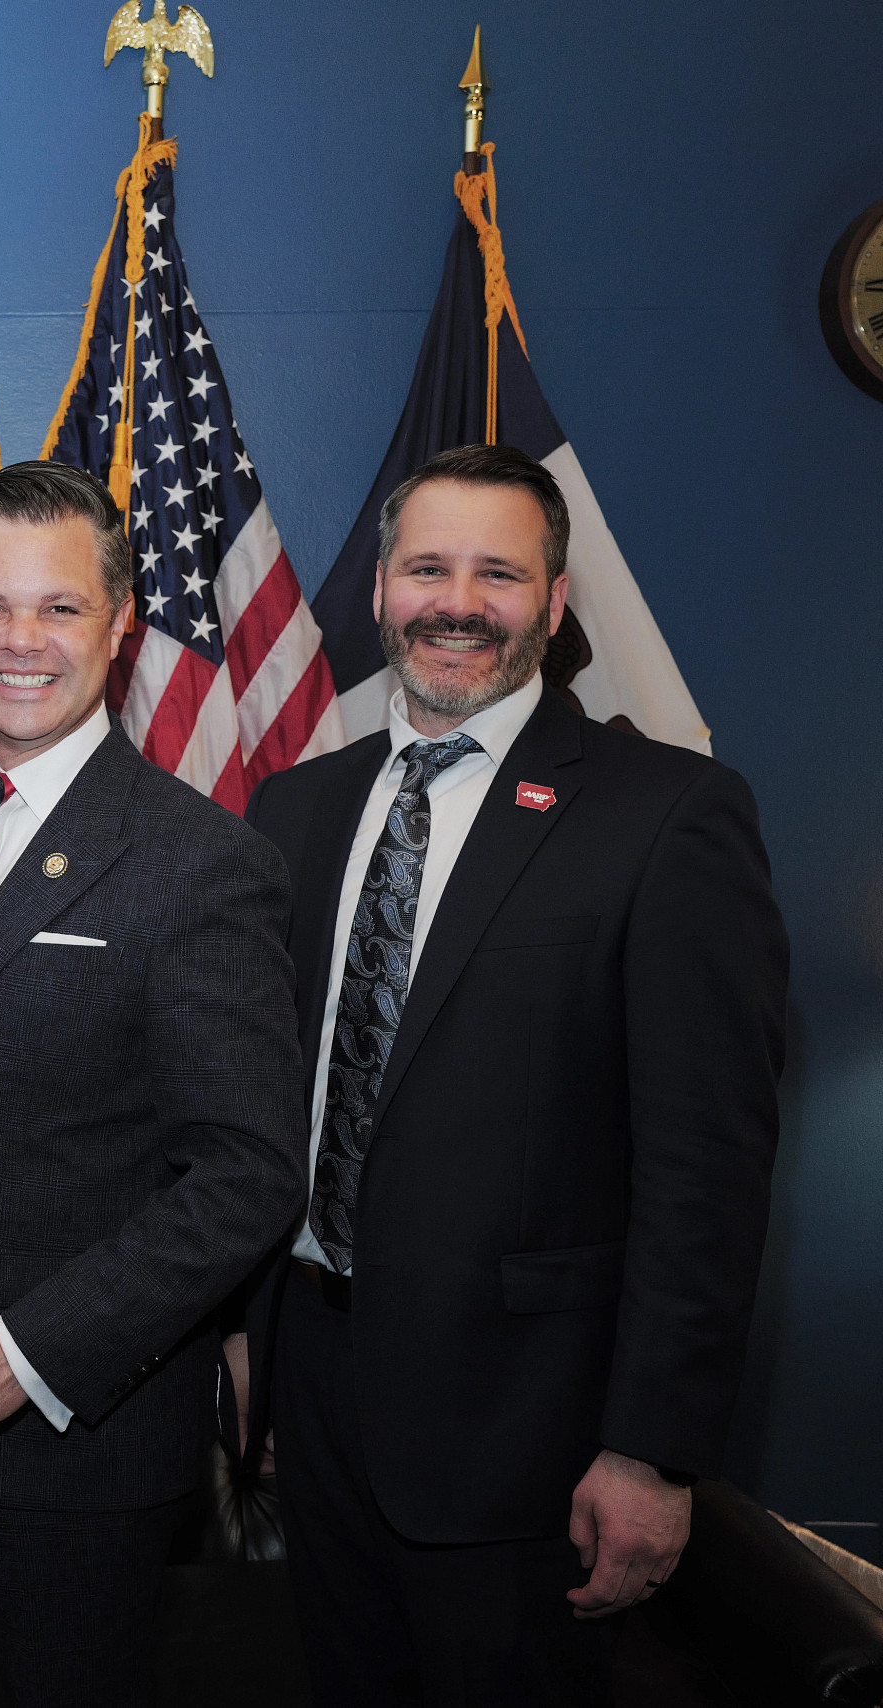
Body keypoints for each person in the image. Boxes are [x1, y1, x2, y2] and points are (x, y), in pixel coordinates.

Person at [235, 443, 787, 1706]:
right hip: (312, 1392)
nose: (457, 600)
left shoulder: (667, 815)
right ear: (377, 591)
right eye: (427, 566)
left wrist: (649, 1450)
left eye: (499, 572)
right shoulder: (294, 811)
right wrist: (240, 1333)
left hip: (529, 1435)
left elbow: (705, 1164)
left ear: (552, 601)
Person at [0, 462, 308, 1708]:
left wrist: (30, 1353)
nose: (19, 641)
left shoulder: (198, 864)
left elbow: (246, 1175)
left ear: (120, 622)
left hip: (66, 1446)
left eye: (58, 607)